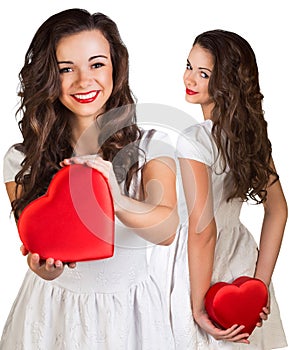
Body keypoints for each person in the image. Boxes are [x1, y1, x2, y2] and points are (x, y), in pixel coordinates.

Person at [0, 8, 179, 349]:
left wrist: (116, 196)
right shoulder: (21, 159)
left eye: (97, 64)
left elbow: (167, 230)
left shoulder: (152, 145)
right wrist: (45, 269)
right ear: (48, 77)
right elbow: (36, 244)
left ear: (116, 68)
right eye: (66, 69)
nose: (84, 81)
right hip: (53, 311)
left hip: (132, 315)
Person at [172, 29, 288, 349]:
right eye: (189, 66)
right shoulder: (252, 139)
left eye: (203, 73)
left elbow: (202, 230)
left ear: (226, 83)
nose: (189, 78)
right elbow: (278, 210)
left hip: (195, 266)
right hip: (240, 262)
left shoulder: (194, 140)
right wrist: (259, 285)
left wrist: (197, 306)